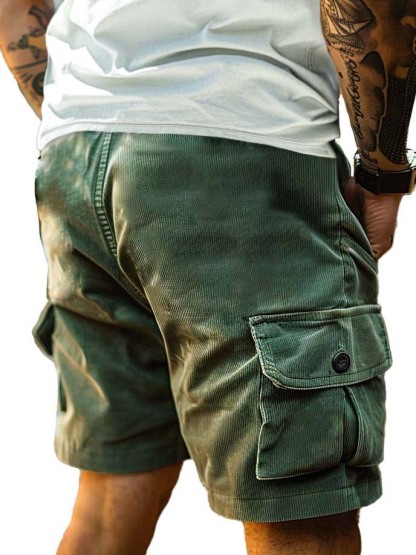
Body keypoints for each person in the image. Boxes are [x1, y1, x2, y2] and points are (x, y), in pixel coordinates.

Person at [0, 1, 415, 553]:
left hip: (76, 156)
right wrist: (384, 172)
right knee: (303, 519)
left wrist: (90, 115)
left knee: (108, 501)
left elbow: (13, 11)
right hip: (245, 139)